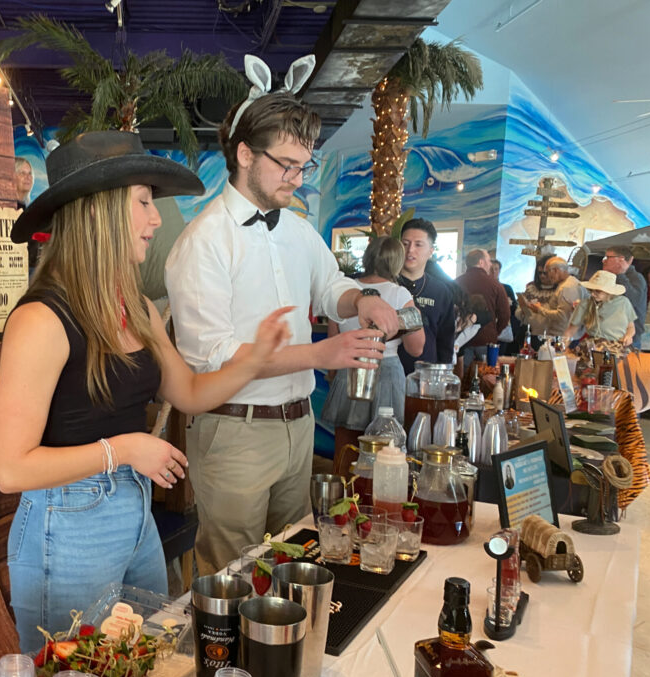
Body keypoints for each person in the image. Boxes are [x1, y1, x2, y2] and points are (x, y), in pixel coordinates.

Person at [0, 130, 293, 651]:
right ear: (97, 211)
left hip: (133, 508)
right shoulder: (41, 319)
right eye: (144, 201)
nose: (156, 219)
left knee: (146, 667)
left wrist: (256, 361)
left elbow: (192, 392)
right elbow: (10, 467)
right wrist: (126, 449)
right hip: (65, 528)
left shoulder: (138, 306)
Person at [166, 69, 396, 577]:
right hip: (233, 430)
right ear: (245, 154)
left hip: (298, 426)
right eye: (287, 166)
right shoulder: (203, 243)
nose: (297, 178)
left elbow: (331, 286)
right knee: (232, 576)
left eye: (303, 167)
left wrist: (363, 300)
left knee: (290, 563)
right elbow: (214, 357)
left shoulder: (296, 229)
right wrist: (317, 354)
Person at [320, 236, 425, 475]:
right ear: (397, 262)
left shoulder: (347, 290)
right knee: (385, 453)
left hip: (349, 368)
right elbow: (416, 348)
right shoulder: (400, 294)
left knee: (345, 451)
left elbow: (333, 341)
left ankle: (342, 504)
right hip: (386, 371)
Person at [397, 218, 457, 374]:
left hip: (425, 377)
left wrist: (443, 374)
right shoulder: (387, 285)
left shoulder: (441, 292)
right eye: (405, 243)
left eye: (418, 244)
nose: (410, 250)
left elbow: (446, 342)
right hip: (387, 375)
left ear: (431, 251)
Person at [456, 248, 510, 370]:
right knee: (486, 377)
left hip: (461, 341)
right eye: (489, 261)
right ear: (481, 262)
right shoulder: (495, 284)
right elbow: (505, 314)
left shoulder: (456, 282)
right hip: (486, 340)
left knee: (460, 377)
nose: (491, 264)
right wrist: (495, 332)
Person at [565, 270, 637, 360]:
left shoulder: (623, 303)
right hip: (593, 347)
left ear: (608, 292)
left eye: (597, 291)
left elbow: (631, 327)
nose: (593, 294)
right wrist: (563, 348)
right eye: (591, 290)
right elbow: (571, 331)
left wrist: (628, 336)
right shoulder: (585, 304)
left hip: (619, 348)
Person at [516, 256, 585, 338]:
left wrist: (540, 309)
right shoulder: (567, 284)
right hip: (558, 335)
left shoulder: (567, 287)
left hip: (563, 337)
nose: (546, 276)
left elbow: (563, 316)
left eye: (547, 272)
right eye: (540, 273)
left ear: (555, 270)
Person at [603, 245, 647, 349]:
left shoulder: (636, 278)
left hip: (628, 339)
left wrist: (621, 275)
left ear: (621, 259)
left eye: (608, 257)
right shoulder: (612, 277)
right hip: (611, 336)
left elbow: (633, 301)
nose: (604, 261)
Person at [489, 256, 520, 353]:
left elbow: (514, 309)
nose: (494, 271)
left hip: (503, 327)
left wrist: (508, 304)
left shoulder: (506, 288)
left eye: (496, 269)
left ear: (500, 271)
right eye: (491, 269)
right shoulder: (484, 288)